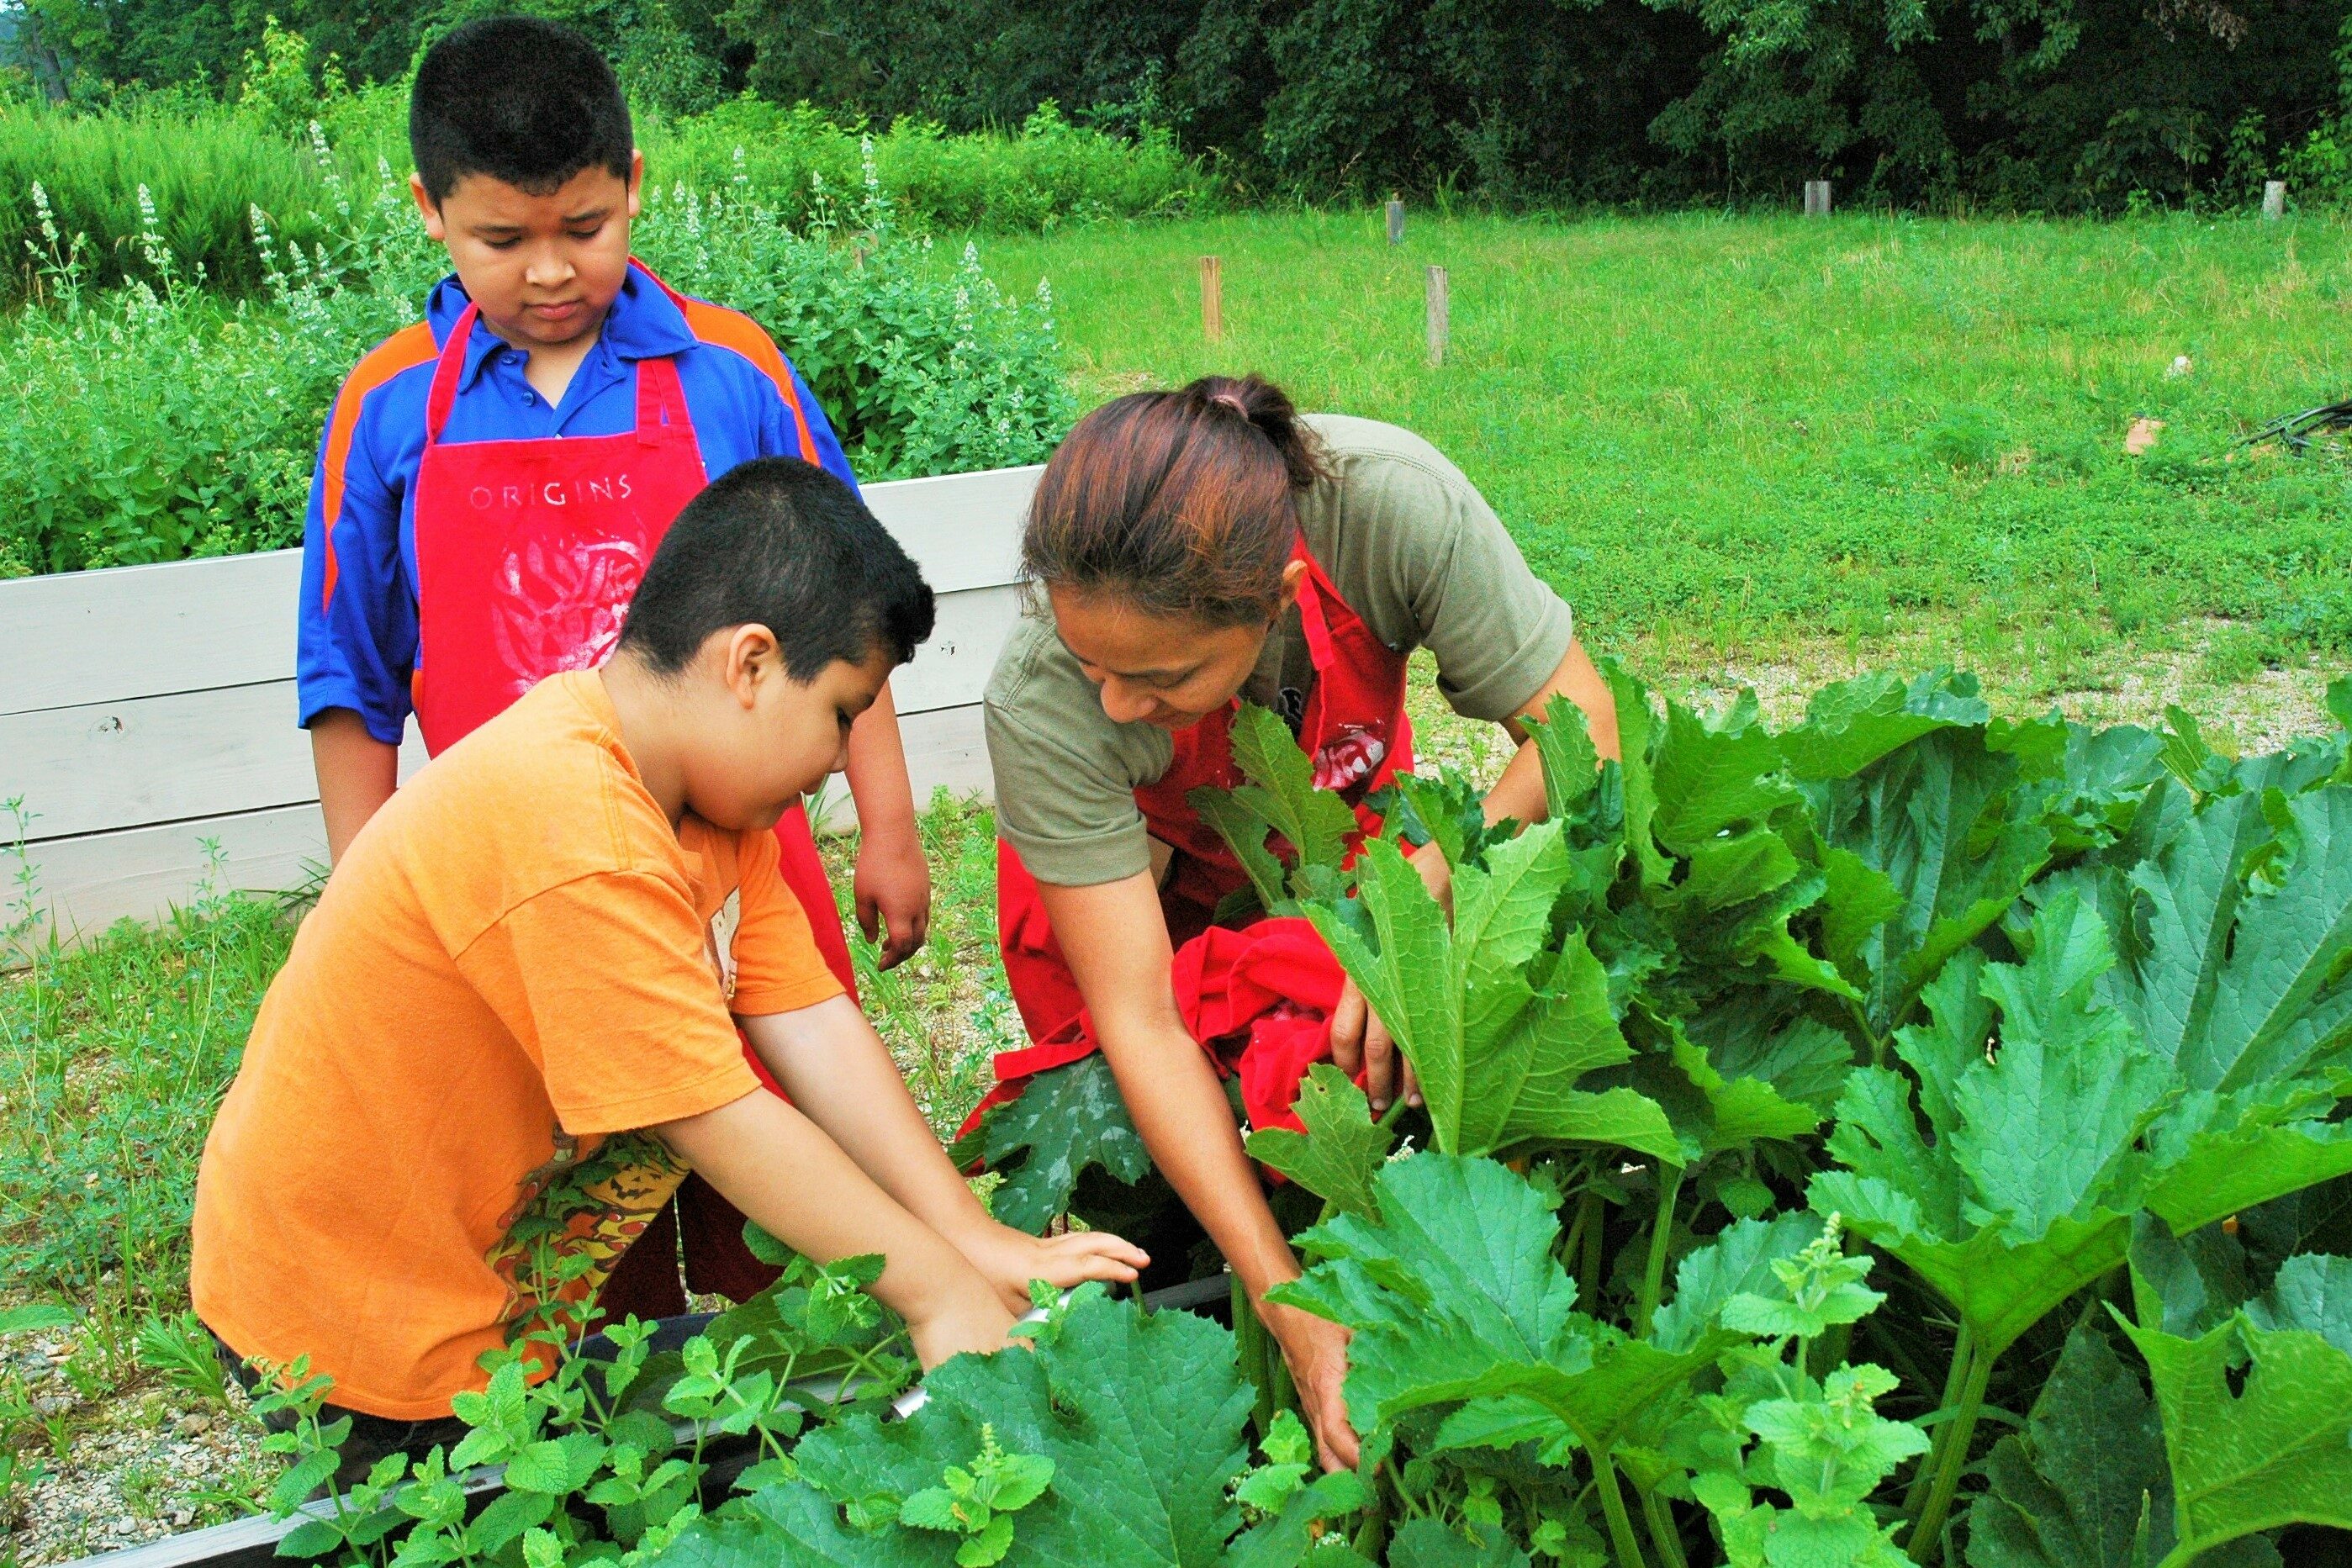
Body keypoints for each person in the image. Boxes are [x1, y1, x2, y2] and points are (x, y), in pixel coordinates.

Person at [196, 460, 1146, 1483]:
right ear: (749, 663)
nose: (839, 759)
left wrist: (966, 1237)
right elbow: (715, 1113)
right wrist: (932, 1291)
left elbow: (811, 1019)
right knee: (450, 1514)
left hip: (483, 1284)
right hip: (355, 1323)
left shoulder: (707, 807)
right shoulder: (575, 824)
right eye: (841, 711)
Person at [293, 16, 933, 1319]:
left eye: (584, 228)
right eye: (501, 240)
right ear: (429, 211)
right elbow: (352, 681)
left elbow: (844, 614)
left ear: (634, 183)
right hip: (545, 905)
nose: (547, 272)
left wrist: (891, 824)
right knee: (585, 1227)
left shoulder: (729, 369)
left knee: (795, 1220)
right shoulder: (388, 409)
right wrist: (364, 895)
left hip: (748, 873)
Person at [975, 376, 1620, 1470]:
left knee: (1349, 1087)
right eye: (1098, 669)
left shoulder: (1393, 508)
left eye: (1161, 677)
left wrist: (1412, 903)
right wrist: (1293, 1314)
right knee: (1134, 1172)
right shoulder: (1042, 699)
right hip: (1125, 874)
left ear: (1276, 598)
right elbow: (1139, 1020)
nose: (1119, 702)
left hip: (1324, 824)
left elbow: (1583, 731)